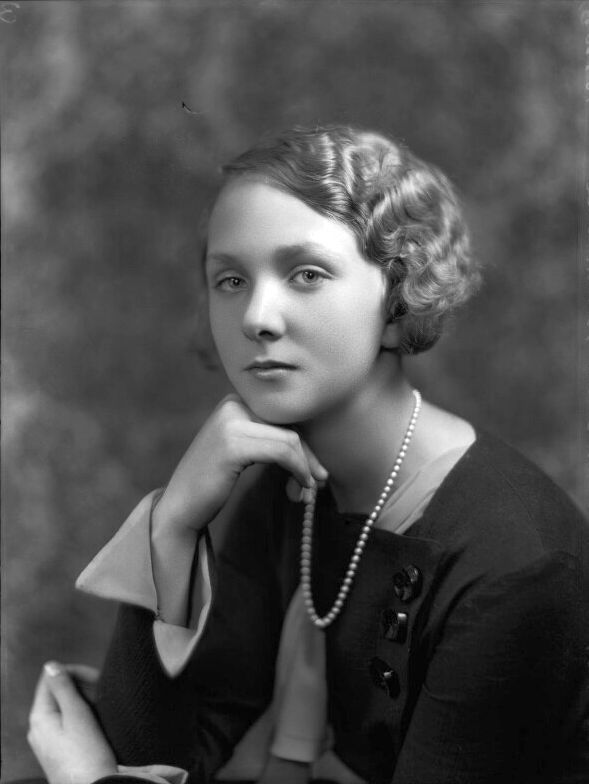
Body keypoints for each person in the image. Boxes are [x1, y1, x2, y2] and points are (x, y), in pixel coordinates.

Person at [26, 126, 589, 784]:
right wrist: (173, 523)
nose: (256, 318)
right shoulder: (285, 488)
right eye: (231, 279)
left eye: (307, 274)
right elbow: (168, 756)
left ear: (396, 300)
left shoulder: (515, 561)